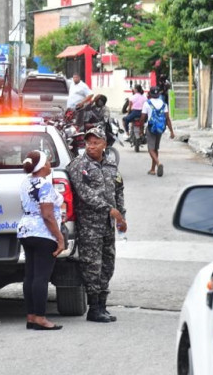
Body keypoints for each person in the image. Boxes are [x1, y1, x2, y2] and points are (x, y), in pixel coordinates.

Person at [66, 127, 126, 323]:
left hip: (108, 224)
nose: (91, 146)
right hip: (90, 225)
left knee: (108, 264)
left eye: (96, 143)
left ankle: (103, 305)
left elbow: (118, 192)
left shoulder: (110, 166)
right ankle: (93, 308)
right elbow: (84, 194)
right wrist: (110, 210)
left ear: (104, 145)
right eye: (89, 143)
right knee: (92, 266)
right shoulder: (78, 165)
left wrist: (121, 217)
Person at [17, 150, 66, 331]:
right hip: (43, 233)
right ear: (42, 166)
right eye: (47, 161)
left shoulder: (25, 182)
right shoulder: (44, 185)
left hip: (26, 231)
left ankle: (31, 316)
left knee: (30, 275)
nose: (49, 165)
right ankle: (40, 318)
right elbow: (47, 214)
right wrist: (59, 238)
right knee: (41, 277)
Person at [140, 86, 175, 177]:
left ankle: (158, 163)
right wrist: (171, 131)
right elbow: (167, 118)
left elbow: (143, 118)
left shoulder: (147, 103)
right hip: (160, 128)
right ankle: (152, 169)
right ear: (158, 94)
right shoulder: (164, 104)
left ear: (150, 94)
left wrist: (141, 130)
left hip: (151, 128)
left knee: (150, 149)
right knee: (155, 149)